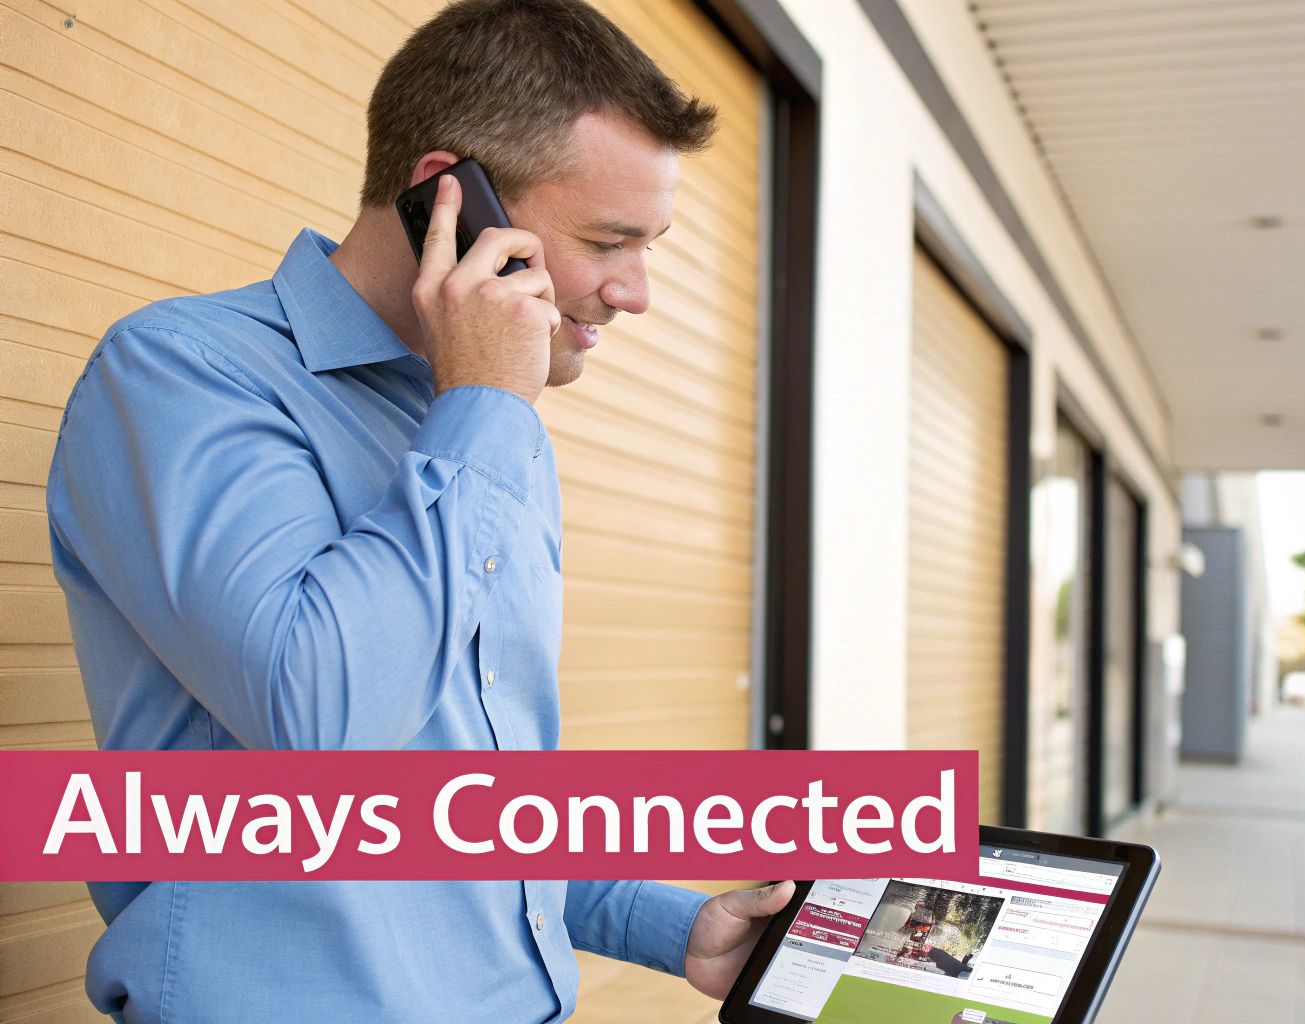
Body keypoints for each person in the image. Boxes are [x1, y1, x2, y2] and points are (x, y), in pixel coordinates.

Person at [45, 1, 789, 1020]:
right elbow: (324, 726)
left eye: (648, 245)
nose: (635, 292)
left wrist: (674, 926)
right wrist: (483, 405)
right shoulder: (185, 374)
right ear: (451, 200)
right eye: (610, 241)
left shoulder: (487, 430)